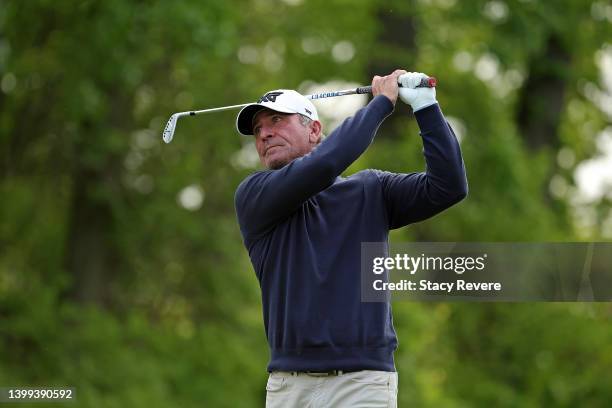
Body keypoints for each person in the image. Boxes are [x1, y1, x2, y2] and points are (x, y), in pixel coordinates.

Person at [234, 70, 468, 407]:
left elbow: (448, 187)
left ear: (314, 130)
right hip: (289, 387)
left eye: (276, 121)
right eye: (257, 130)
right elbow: (326, 162)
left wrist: (426, 107)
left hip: (362, 383)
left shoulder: (370, 190)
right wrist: (382, 103)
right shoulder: (254, 196)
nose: (265, 134)